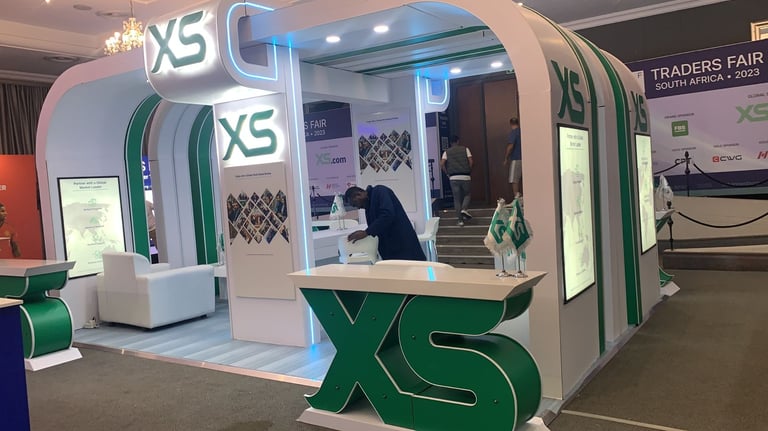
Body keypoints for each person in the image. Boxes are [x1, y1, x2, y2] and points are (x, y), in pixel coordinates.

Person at [344, 185, 426, 261]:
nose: (358, 207)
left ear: (359, 194)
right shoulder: (368, 206)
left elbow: (388, 214)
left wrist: (366, 232)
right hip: (390, 249)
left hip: (403, 244)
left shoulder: (379, 191)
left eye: (355, 204)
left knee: (414, 268)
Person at [440, 135, 473, 226]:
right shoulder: (465, 149)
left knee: (457, 199)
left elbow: (442, 164)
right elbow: (471, 161)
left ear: (450, 143)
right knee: (467, 194)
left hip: (453, 177)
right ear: (458, 141)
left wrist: (447, 173)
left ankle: (460, 221)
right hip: (465, 176)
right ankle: (464, 209)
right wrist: (468, 170)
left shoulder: (446, 152)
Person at [504, 117, 523, 198]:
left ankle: (516, 197)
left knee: (514, 179)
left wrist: (506, 158)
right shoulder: (522, 131)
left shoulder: (513, 133)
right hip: (524, 158)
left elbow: (511, 146)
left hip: (516, 158)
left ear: (511, 124)